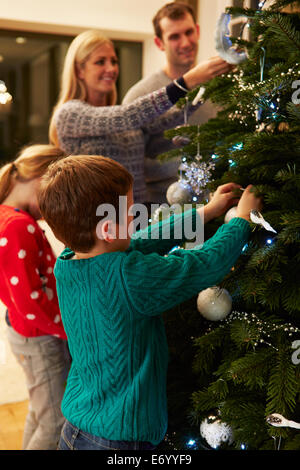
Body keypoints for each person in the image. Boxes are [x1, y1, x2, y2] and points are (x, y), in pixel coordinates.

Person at [37, 154, 262, 450]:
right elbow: (204, 264)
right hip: (118, 440)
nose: (135, 216)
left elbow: (143, 238)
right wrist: (242, 220)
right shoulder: (129, 277)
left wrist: (205, 213)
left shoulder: (69, 261)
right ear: (107, 230)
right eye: (129, 211)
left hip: (78, 429)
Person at [49, 29, 231, 204]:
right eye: (100, 62)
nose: (111, 68)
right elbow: (129, 115)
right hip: (96, 221)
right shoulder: (70, 114)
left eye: (114, 61)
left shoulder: (120, 116)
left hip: (137, 216)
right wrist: (186, 82)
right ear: (79, 70)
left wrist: (205, 87)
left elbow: (163, 120)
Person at [0, 144, 70, 450]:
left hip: (29, 331)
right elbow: (30, 301)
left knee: (42, 413)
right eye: (53, 194)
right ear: (41, 178)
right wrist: (66, 331)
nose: (52, 207)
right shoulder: (18, 226)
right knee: (55, 422)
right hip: (40, 337)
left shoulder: (8, 216)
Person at [123, 2, 223, 204]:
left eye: (188, 32)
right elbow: (130, 162)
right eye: (174, 37)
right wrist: (189, 166)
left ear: (198, 31)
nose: (185, 42)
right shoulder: (140, 95)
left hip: (218, 206)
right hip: (160, 212)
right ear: (160, 43)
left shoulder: (220, 87)